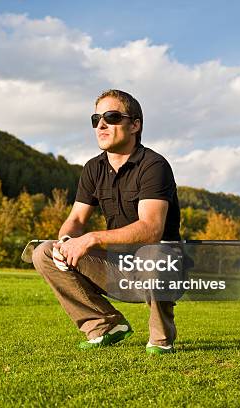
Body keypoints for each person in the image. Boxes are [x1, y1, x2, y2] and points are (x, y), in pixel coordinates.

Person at [32, 89, 182, 355]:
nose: (101, 125)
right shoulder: (93, 168)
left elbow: (151, 229)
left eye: (111, 117)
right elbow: (76, 220)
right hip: (117, 266)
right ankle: (104, 326)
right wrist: (66, 242)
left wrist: (91, 239)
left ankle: (161, 338)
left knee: (156, 252)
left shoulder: (154, 165)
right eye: (96, 119)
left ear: (135, 125)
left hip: (159, 268)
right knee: (43, 251)